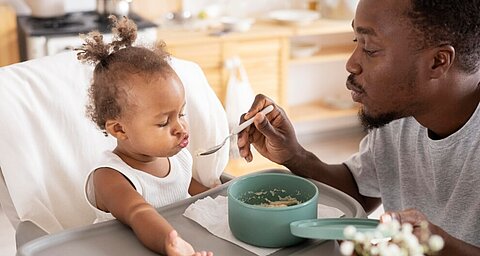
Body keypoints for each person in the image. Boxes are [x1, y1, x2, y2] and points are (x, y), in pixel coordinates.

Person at [237, 0, 480, 255]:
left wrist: (440, 247)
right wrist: (294, 155)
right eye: (356, 42)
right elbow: (359, 191)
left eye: (371, 49)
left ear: (438, 62)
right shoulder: (399, 115)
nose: (351, 64)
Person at [77, 16, 213, 256]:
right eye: (163, 122)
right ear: (119, 130)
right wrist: (169, 242)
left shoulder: (177, 158)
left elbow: (188, 190)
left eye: (181, 113)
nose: (180, 127)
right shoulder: (110, 177)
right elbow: (139, 213)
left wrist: (223, 200)